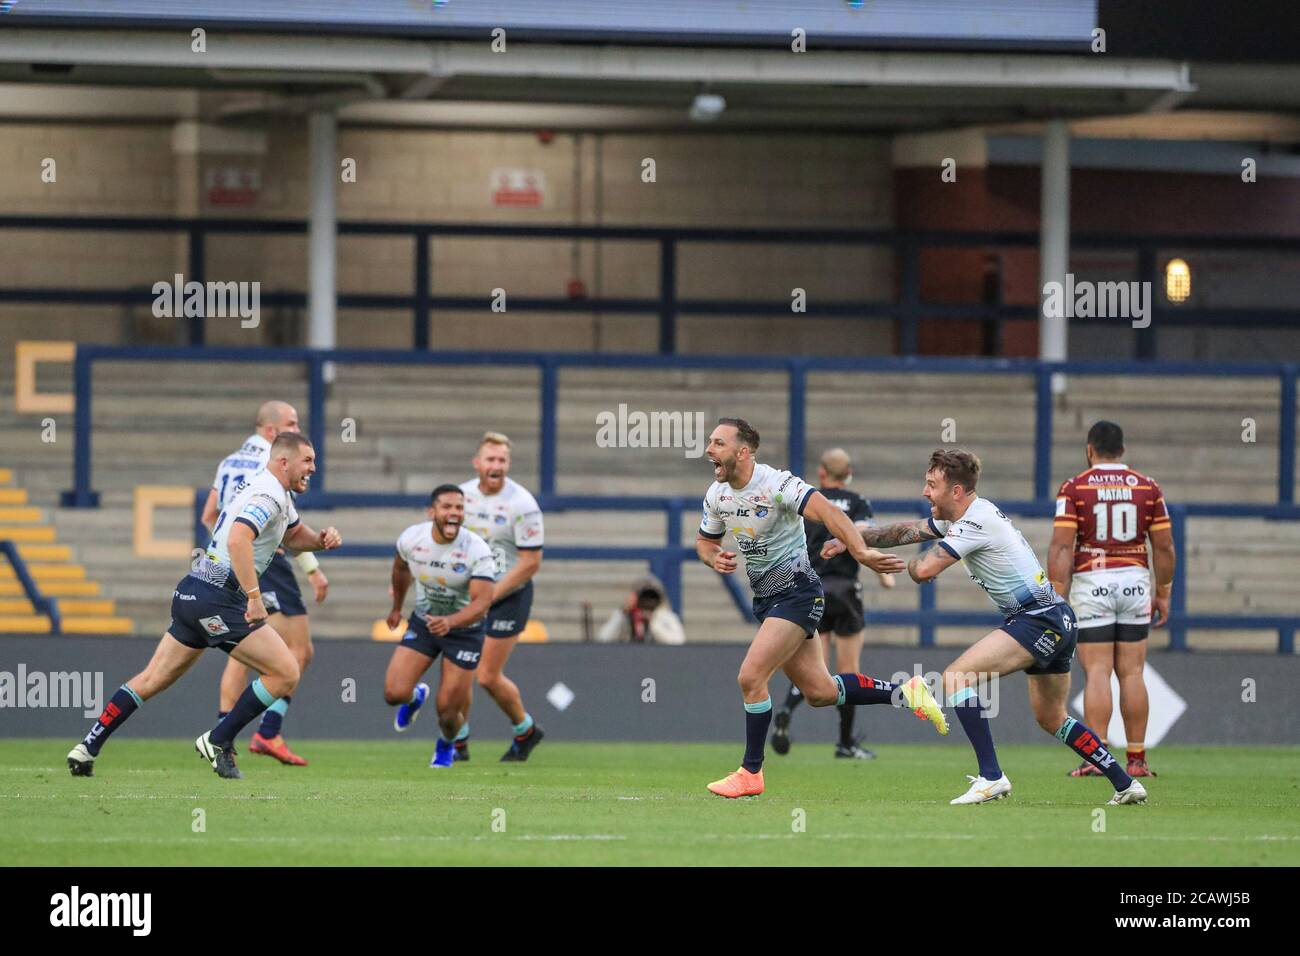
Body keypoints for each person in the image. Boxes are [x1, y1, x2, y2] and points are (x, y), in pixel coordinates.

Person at [825, 448, 1147, 806]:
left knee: (956, 677)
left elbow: (923, 571)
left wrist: (877, 561)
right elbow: (902, 531)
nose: (924, 492)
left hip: (1037, 619)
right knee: (1052, 718)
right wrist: (853, 540)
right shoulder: (964, 517)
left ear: (957, 491)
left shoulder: (974, 523)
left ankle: (992, 777)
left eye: (932, 485)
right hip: (1057, 617)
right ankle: (1125, 783)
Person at [697, 418, 948, 799]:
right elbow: (704, 541)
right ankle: (906, 692)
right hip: (768, 600)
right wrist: (713, 558)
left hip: (797, 593)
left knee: (750, 678)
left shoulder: (777, 484)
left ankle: (751, 772)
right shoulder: (717, 495)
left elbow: (831, 513)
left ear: (743, 452)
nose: (709, 449)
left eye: (718, 443)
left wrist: (861, 551)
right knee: (820, 691)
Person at [67, 433, 341, 779]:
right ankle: (218, 739)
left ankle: (87, 747)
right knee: (285, 672)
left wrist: (319, 541)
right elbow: (239, 537)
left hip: (194, 590)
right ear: (283, 461)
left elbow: (292, 533)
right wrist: (254, 598)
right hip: (221, 597)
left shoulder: (274, 492)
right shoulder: (268, 493)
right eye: (308, 461)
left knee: (152, 678)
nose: (313, 469)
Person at [201, 400, 328, 766]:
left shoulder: (228, 462)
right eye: (291, 423)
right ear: (272, 432)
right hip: (262, 560)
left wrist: (223, 551)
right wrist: (313, 569)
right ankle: (262, 733)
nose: (296, 427)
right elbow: (288, 528)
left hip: (224, 563)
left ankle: (225, 735)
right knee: (297, 651)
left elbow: (211, 515)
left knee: (239, 652)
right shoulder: (272, 464)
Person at [1048, 421, 1175, 779]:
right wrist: (1162, 591)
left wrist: (1058, 593)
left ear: (1090, 449)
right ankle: (1136, 759)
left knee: (1098, 671)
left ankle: (1097, 756)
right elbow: (1164, 546)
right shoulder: (1148, 487)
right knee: (1133, 672)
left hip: (1093, 580)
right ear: (1122, 450)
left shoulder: (1075, 488)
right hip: (1135, 581)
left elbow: (1061, 546)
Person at [772, 447, 895, 759]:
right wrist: (882, 574)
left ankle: (786, 708)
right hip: (846, 591)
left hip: (812, 590)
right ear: (849, 473)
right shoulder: (857, 502)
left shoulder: (809, 500)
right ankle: (845, 742)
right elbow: (866, 534)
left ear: (822, 474)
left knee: (816, 669)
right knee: (848, 670)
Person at [383, 485, 496, 768]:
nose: (454, 513)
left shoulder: (477, 550)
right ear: (432, 512)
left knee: (447, 712)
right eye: (447, 507)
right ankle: (415, 696)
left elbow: (483, 603)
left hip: (465, 632)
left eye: (459, 508)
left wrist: (451, 622)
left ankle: (446, 745)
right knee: (394, 694)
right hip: (425, 622)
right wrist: (397, 608)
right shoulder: (412, 538)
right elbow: (400, 569)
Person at [457, 432, 546, 762]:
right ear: (477, 462)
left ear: (508, 464)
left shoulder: (522, 504)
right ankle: (459, 741)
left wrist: (490, 595)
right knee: (459, 671)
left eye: (502, 460)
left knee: (487, 676)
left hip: (508, 595)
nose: (496, 465)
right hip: (469, 595)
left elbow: (531, 562)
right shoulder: (461, 496)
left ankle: (525, 729)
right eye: (490, 459)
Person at [595, 573, 685, 644]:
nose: (648, 601)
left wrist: (653, 623)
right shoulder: (624, 615)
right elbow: (603, 639)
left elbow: (678, 641)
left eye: (652, 597)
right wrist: (623, 613)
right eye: (644, 596)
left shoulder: (666, 616)